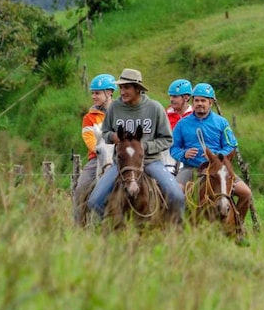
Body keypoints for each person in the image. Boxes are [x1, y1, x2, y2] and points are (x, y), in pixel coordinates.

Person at [87, 68, 185, 223]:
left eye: (126, 87)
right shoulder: (114, 108)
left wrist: (143, 148)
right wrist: (113, 136)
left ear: (137, 89)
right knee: (94, 201)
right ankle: (109, 227)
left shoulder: (155, 108)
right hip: (121, 164)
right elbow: (105, 132)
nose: (122, 91)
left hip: (150, 161)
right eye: (121, 87)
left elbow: (167, 139)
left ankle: (176, 230)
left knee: (176, 195)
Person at [170, 82, 253, 227]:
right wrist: (184, 154)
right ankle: (178, 227)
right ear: (192, 101)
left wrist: (216, 156)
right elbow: (173, 148)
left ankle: (238, 227)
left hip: (219, 170)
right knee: (175, 191)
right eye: (197, 100)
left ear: (211, 102)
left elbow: (231, 145)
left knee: (245, 192)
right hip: (191, 168)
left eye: (203, 100)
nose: (199, 104)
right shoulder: (182, 124)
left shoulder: (221, 123)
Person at [73, 73, 116, 226]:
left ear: (109, 92)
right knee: (81, 188)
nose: (93, 96)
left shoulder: (122, 112)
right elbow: (89, 139)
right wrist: (102, 150)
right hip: (97, 158)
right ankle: (80, 225)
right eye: (92, 93)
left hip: (120, 157)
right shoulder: (89, 117)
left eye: (97, 93)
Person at [162, 78, 193, 175]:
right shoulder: (164, 115)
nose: (171, 99)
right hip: (166, 160)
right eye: (171, 96)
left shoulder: (195, 116)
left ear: (186, 97)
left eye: (175, 96)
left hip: (189, 160)